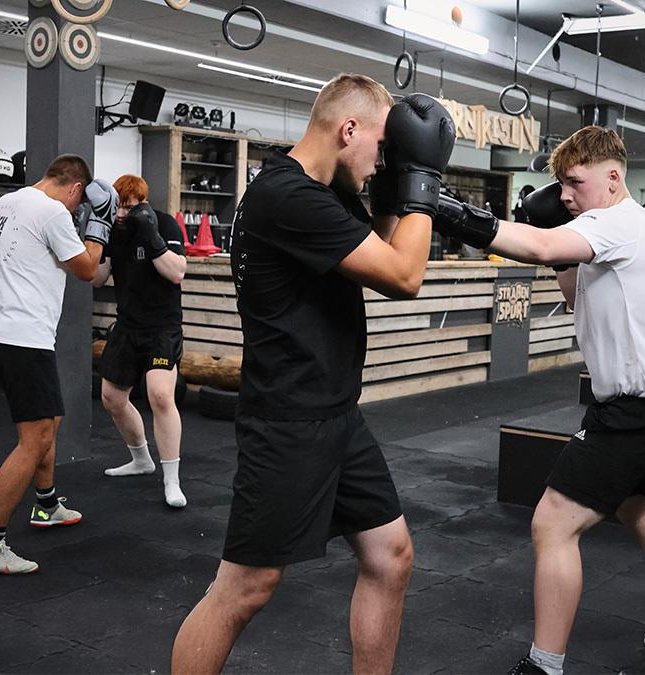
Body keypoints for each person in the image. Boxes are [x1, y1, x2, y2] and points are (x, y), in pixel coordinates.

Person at [171, 74, 455, 674]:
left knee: (390, 556)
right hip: (290, 422)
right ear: (347, 129)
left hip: (335, 415)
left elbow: (377, 243)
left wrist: (397, 187)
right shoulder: (288, 197)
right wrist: (424, 183)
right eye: (380, 146)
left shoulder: (324, 192)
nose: (381, 161)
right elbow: (403, 275)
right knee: (244, 590)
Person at [429, 126, 645, 674]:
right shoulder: (644, 227)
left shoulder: (613, 222)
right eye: (561, 185)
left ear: (613, 177)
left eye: (575, 182)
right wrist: (554, 234)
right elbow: (574, 290)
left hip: (639, 408)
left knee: (552, 524)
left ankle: (545, 666)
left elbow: (541, 245)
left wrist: (450, 210)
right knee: (636, 507)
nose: (565, 195)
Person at [0, 155, 117, 574]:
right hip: (23, 337)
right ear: (74, 189)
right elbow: (87, 269)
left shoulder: (9, 201)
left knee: (50, 420)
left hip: (7, 331)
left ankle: (47, 505)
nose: (75, 210)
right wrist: (99, 224)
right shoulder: (52, 210)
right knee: (33, 440)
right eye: (77, 203)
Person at [92, 174, 188, 508]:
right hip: (128, 325)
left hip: (162, 326)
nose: (122, 214)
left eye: (128, 207)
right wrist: (94, 238)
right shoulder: (113, 231)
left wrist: (152, 238)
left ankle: (171, 480)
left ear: (141, 203)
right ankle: (141, 459)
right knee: (112, 397)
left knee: (160, 395)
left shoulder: (163, 224)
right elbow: (98, 278)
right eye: (117, 207)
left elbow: (177, 272)